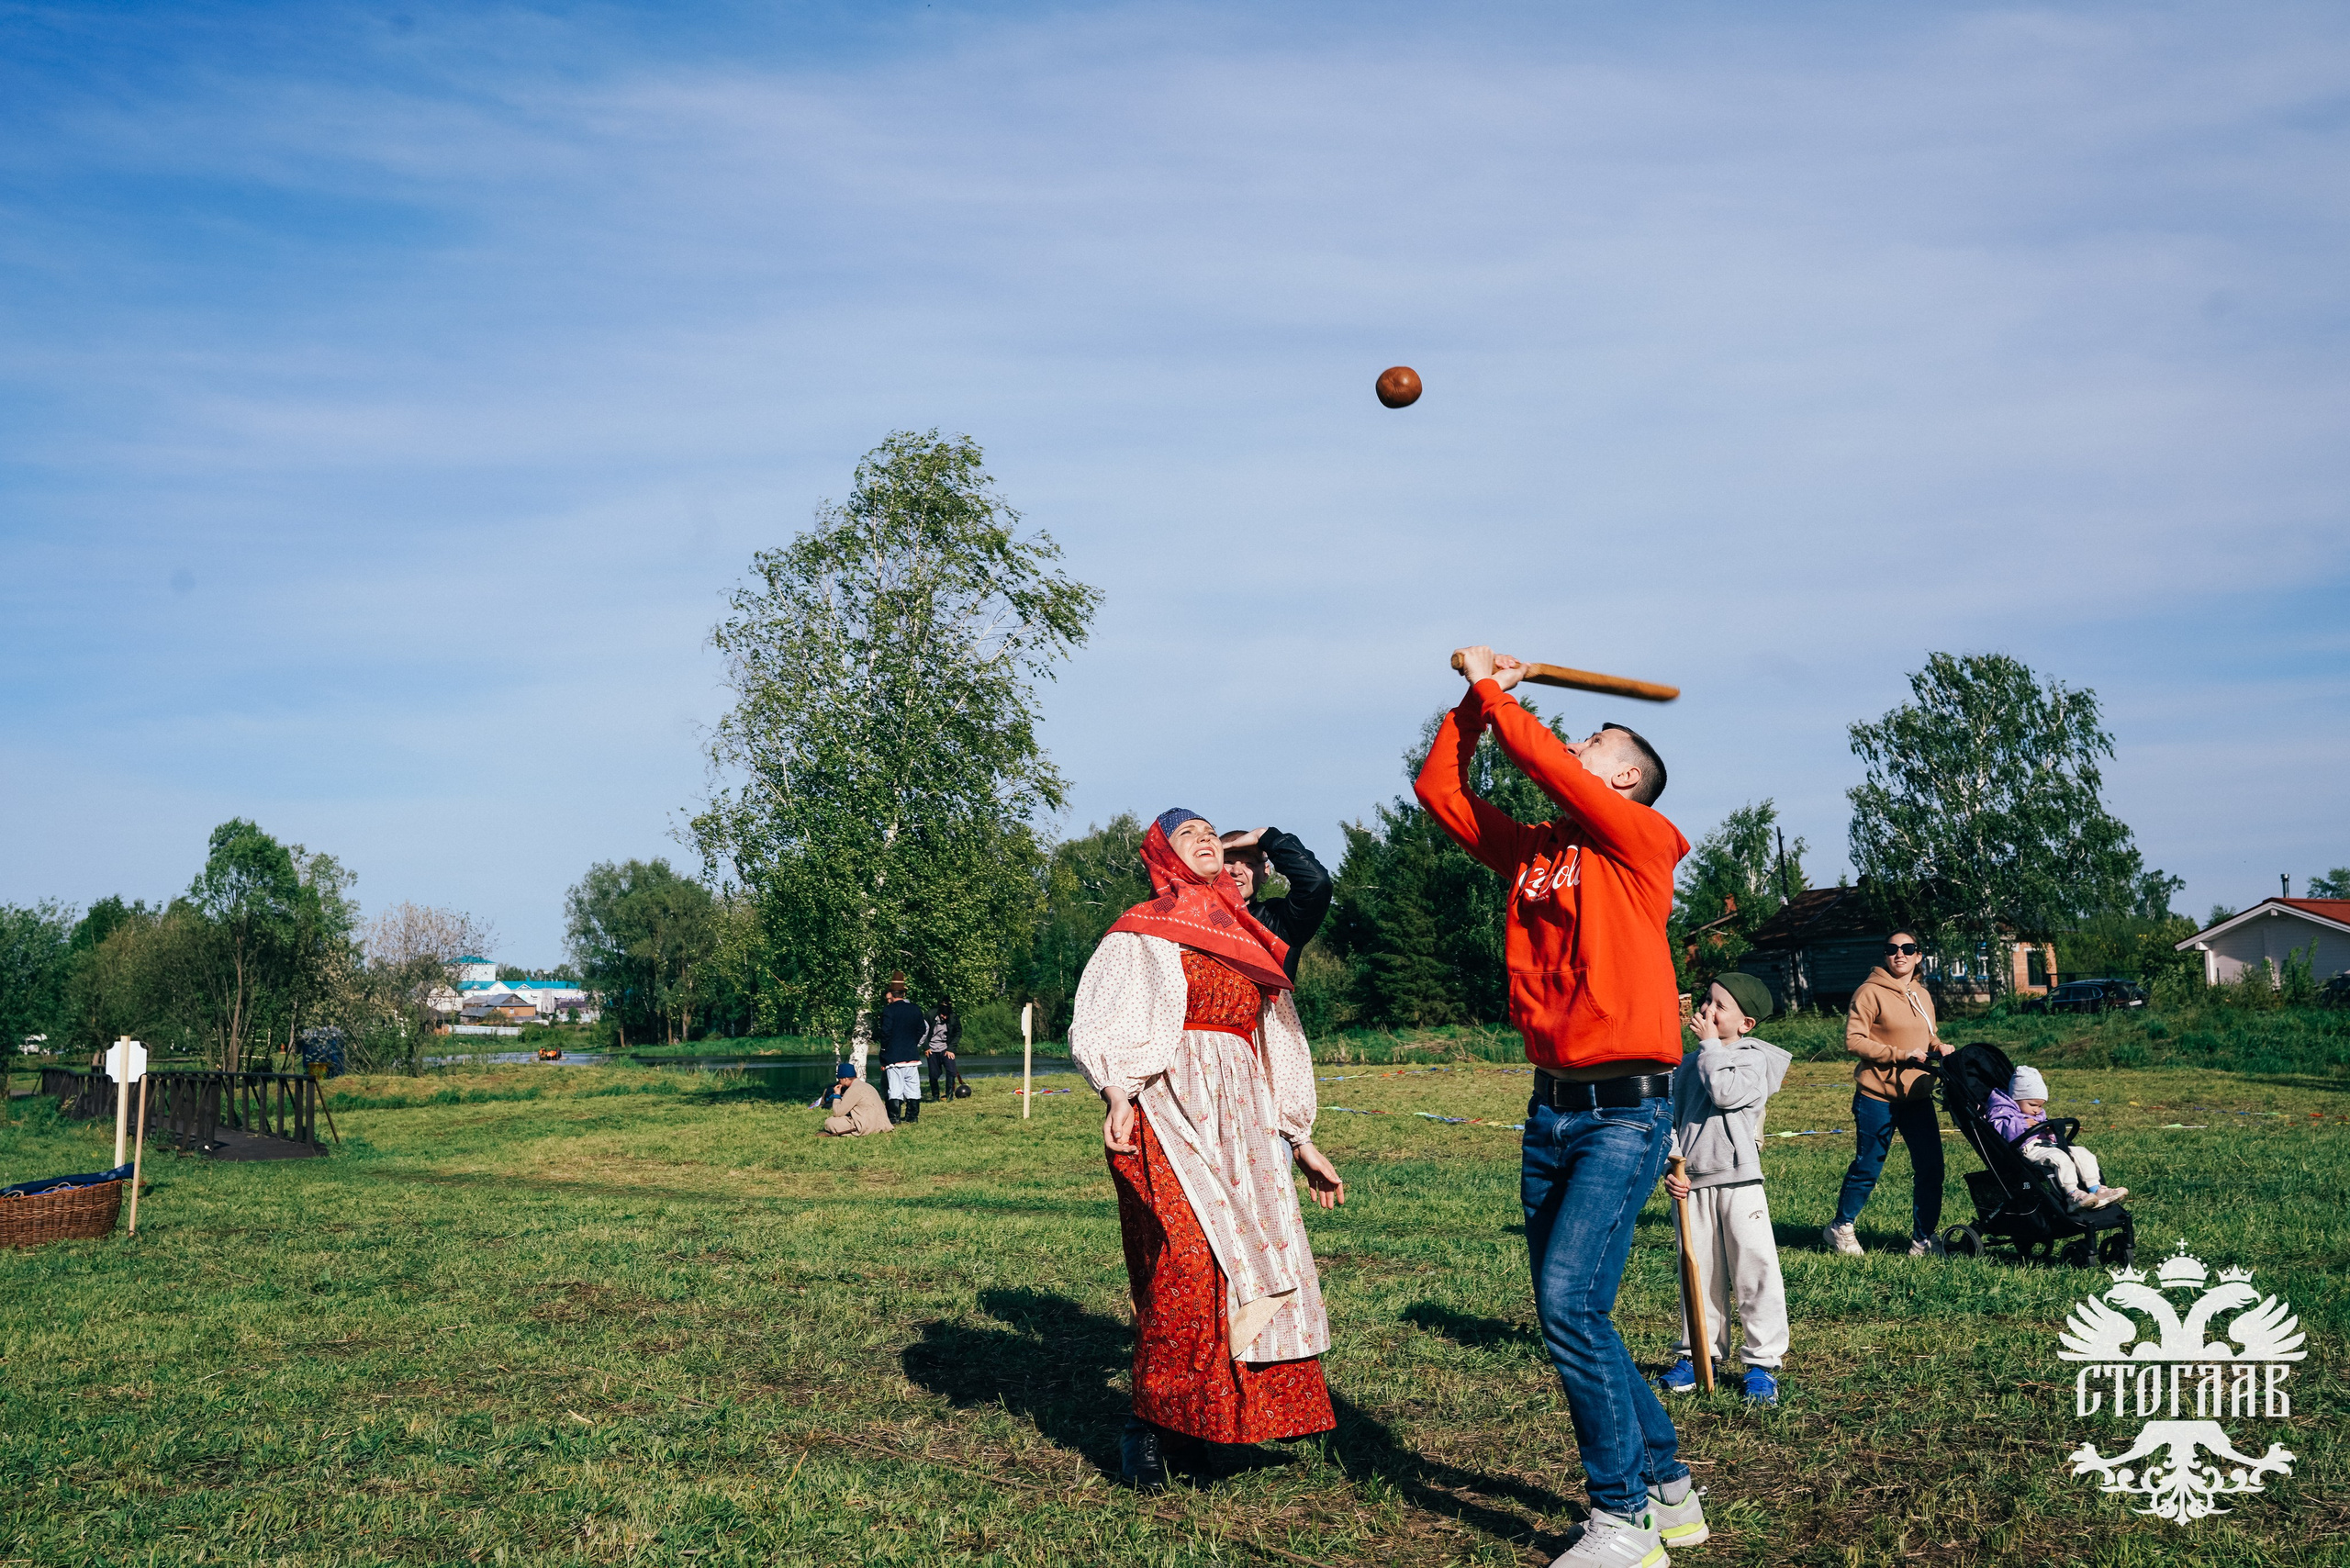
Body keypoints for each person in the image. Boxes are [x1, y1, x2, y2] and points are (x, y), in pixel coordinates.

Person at [1414, 646, 1706, 1566]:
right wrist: (1471, 701)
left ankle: (1622, 1523)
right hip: (1550, 1110)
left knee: (1569, 1303)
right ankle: (1669, 1486)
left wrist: (1502, 692)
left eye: (1597, 735)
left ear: (1624, 777)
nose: (1576, 740)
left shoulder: (1640, 841)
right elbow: (1439, 792)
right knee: (1578, 1310)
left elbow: (1538, 755)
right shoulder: (1538, 850)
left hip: (1626, 1111)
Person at [1069, 808, 1346, 1493]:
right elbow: (1103, 1019)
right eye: (1187, 834)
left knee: (1241, 1268)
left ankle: (1206, 1420)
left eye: (1211, 834)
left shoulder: (1250, 931)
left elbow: (1276, 1033)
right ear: (1161, 854)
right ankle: (1147, 1423)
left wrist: (1300, 1137)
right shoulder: (1142, 930)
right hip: (1170, 1104)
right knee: (1184, 1263)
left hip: (1244, 1114)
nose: (1204, 841)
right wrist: (1116, 1091)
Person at [1659, 972, 1792, 1407]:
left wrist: (1711, 1047)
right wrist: (1674, 1166)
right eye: (1705, 1002)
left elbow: (1724, 1093)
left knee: (1754, 1270)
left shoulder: (1754, 1059)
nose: (1705, 1012)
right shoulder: (1690, 1062)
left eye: (1719, 1006)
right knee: (1698, 1273)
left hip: (1739, 1180)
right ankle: (1699, 1356)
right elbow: (1674, 1119)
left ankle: (1762, 1364)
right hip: (1693, 1183)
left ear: (1746, 1024)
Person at [1825, 930, 1952, 1259]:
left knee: (1931, 1169)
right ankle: (1841, 1227)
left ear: (1918, 955)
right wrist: (1900, 1054)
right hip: (1877, 1096)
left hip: (1918, 1096)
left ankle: (1923, 1240)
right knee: (1869, 1165)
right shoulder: (1869, 993)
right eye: (1892, 949)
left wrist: (1940, 1047)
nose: (1900, 954)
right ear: (1885, 955)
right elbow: (1854, 1041)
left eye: (1908, 948)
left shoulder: (1921, 994)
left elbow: (1929, 1036)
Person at [1988, 1066, 2128, 1209]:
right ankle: (2073, 1195)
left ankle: (2096, 1188)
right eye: (2033, 1105)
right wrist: (2021, 1124)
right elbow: (1999, 1128)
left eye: (2041, 1106)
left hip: (2048, 1145)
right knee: (2060, 1159)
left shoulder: (2035, 1112)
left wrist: (2050, 1131)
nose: (2037, 1110)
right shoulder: (2003, 1110)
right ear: (2017, 1098)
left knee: (2082, 1152)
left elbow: (2044, 1126)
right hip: (2027, 1148)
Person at [1218, 827, 1334, 982]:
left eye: (1249, 863)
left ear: (1265, 872)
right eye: (1228, 861)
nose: (1237, 870)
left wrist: (1265, 836)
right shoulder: (1189, 916)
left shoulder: (1279, 922)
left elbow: (1316, 883)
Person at [876, 974, 930, 1124]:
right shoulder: (915, 1009)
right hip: (912, 1055)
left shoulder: (889, 1010)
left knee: (895, 1088)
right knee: (913, 1087)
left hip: (894, 1056)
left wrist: (885, 1051)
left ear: (891, 995)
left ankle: (894, 1118)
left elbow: (885, 1033)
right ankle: (912, 1116)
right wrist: (913, 1043)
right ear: (904, 993)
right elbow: (922, 1029)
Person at [821, 1068, 891, 1137]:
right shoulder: (867, 1085)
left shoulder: (853, 1089)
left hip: (868, 1126)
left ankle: (855, 1131)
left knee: (830, 1122)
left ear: (845, 1079)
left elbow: (838, 1113)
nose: (839, 1083)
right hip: (882, 1124)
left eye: (840, 1080)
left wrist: (837, 1095)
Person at [925, 1002, 963, 1103]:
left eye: (947, 1015)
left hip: (946, 1048)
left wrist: (951, 1049)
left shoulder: (953, 1017)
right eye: (943, 1015)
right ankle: (935, 1096)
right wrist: (926, 1047)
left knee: (951, 1071)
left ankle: (949, 1095)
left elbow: (958, 1033)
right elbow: (922, 1031)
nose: (945, 1017)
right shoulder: (930, 1015)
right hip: (932, 1049)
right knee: (933, 1074)